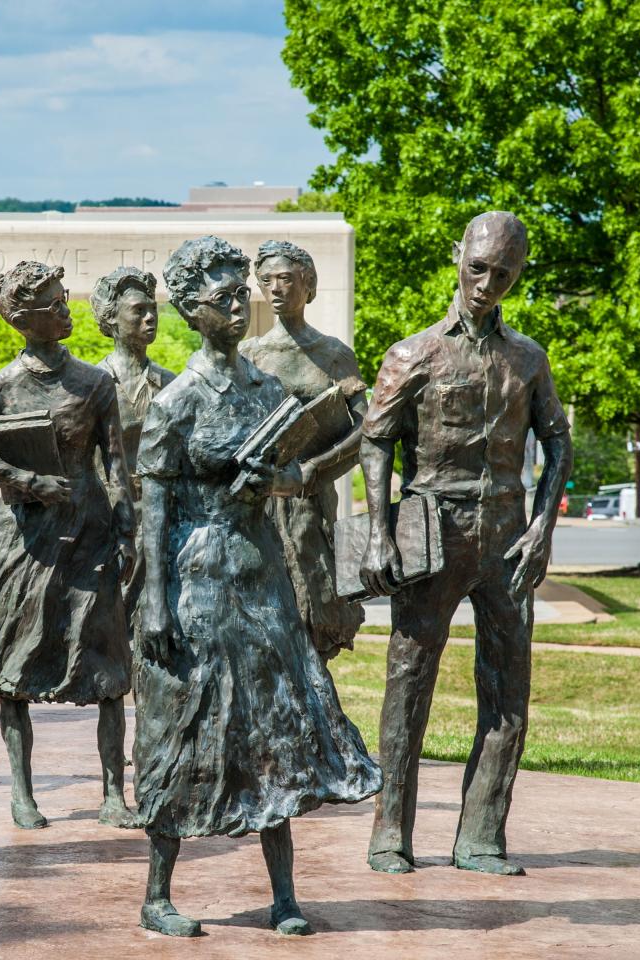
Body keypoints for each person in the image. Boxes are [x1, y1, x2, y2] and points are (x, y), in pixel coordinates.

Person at [133, 236, 381, 938]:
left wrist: (280, 478)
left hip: (262, 571)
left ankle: (284, 896)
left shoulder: (268, 390)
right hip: (196, 577)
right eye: (223, 298)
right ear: (191, 311)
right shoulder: (176, 401)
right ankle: (157, 894)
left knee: (277, 726)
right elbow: (154, 510)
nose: (239, 306)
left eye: (241, 294)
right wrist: (154, 602)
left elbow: (307, 466)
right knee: (184, 726)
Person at [360, 211, 573, 877]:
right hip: (431, 529)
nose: (487, 284)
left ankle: (481, 837)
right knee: (408, 683)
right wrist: (377, 532)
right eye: (478, 267)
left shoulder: (528, 358)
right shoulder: (412, 353)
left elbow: (558, 442)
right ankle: (390, 835)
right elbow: (376, 441)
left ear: (518, 276)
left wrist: (543, 528)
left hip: (508, 538)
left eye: (503, 274)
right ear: (458, 256)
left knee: (508, 689)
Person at [0, 261, 141, 831]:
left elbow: (117, 465)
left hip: (88, 533)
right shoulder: (3, 384)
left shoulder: (94, 383)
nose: (65, 311)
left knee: (108, 667)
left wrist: (127, 531)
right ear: (23, 319)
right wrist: (26, 479)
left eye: (65, 299)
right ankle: (22, 792)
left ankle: (114, 794)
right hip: (23, 539)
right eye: (54, 304)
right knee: (13, 667)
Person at [241, 240, 368, 662]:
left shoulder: (334, 354)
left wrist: (316, 466)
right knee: (261, 617)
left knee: (315, 609)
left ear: (308, 283)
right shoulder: (249, 354)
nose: (275, 288)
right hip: (258, 504)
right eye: (266, 281)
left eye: (285, 278)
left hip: (311, 499)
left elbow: (367, 428)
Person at [90, 266, 174, 622]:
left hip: (162, 518)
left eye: (153, 309)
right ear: (111, 318)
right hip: (107, 521)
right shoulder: (91, 384)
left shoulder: (172, 384)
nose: (150, 317)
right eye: (139, 310)